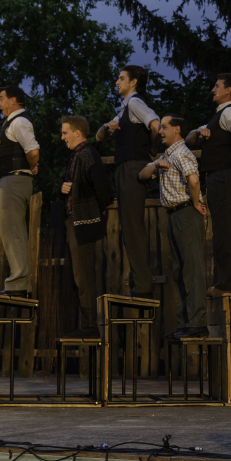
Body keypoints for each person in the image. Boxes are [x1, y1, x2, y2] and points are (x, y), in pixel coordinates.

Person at [139, 114, 208, 338]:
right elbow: (142, 174)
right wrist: (155, 163)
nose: (160, 131)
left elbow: (194, 180)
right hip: (173, 215)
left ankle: (197, 323)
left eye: (164, 127)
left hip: (186, 212)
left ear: (177, 130)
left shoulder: (181, 153)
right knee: (179, 271)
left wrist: (196, 204)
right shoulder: (167, 155)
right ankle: (184, 323)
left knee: (192, 269)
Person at [95, 66, 159, 299]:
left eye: (121, 78)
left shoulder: (134, 103)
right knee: (129, 227)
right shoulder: (124, 109)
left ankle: (142, 287)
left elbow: (155, 123)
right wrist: (106, 127)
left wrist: (152, 149)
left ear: (133, 82)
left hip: (133, 166)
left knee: (132, 227)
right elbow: (99, 136)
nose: (116, 82)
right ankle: (138, 283)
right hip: (125, 167)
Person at [185, 73, 231, 296]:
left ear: (228, 90)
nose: (213, 90)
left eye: (217, 86)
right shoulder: (218, 116)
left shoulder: (230, 112)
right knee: (228, 227)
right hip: (222, 175)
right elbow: (189, 139)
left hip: (223, 175)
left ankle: (226, 283)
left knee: (222, 228)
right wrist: (198, 131)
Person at [60, 116, 113, 339]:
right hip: (75, 221)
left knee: (83, 276)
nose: (62, 137)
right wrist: (62, 188)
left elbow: (104, 190)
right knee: (78, 275)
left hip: (82, 222)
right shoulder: (77, 156)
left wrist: (95, 213)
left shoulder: (87, 154)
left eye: (65, 133)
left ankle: (90, 326)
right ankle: (87, 324)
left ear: (78, 133)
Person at [0, 86, 40, 298]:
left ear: (13, 100)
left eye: (1, 99)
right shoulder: (10, 123)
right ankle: (20, 283)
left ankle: (18, 285)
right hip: (10, 181)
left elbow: (33, 151)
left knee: (13, 233)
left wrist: (29, 165)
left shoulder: (19, 121)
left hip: (12, 182)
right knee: (12, 232)